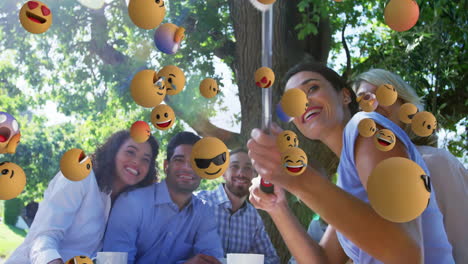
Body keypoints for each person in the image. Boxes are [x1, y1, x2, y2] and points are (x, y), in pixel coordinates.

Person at [247, 61, 454, 263]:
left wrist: (299, 177)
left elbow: (406, 254)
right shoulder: (346, 180)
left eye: (312, 88)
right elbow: (323, 261)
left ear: (345, 96)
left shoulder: (366, 127)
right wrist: (277, 206)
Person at [352, 68, 468, 263]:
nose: (374, 103)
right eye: (364, 98)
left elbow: (463, 246)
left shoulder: (436, 163)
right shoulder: (357, 184)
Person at [6, 130, 160, 264]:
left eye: (145, 159)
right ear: (113, 153)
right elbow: (43, 238)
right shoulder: (79, 176)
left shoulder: (131, 206)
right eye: (130, 152)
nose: (136, 162)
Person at [102, 131, 223, 264]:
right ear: (166, 166)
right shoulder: (131, 203)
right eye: (179, 160)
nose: (187, 168)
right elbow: (116, 262)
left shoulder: (204, 212)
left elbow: (212, 260)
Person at [196, 148, 279, 264]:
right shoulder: (198, 202)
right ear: (223, 173)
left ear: (255, 176)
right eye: (234, 166)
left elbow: (272, 260)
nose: (241, 173)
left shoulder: (253, 217)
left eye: (248, 168)